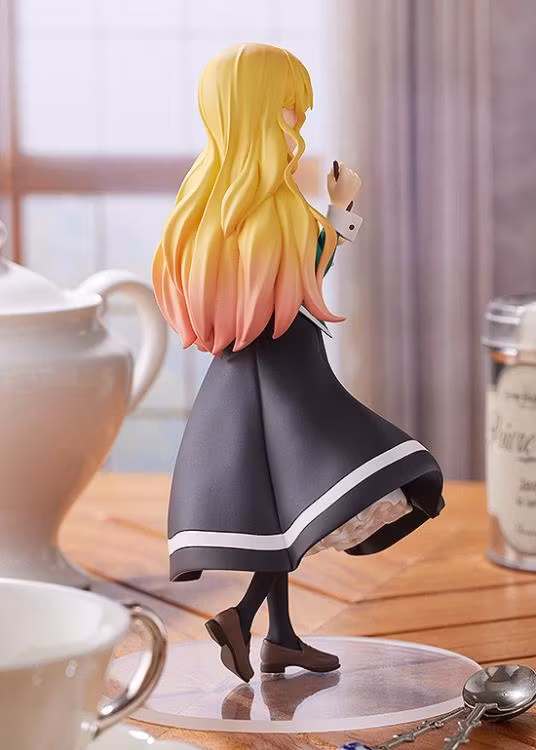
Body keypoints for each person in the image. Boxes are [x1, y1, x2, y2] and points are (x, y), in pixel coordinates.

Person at [152, 43, 444, 682]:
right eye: (289, 108)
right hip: (288, 373)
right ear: (255, 111)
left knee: (276, 508)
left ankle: (279, 636)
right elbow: (313, 268)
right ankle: (243, 616)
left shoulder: (201, 210)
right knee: (328, 479)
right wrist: (342, 209)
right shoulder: (274, 208)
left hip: (239, 377)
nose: (298, 122)